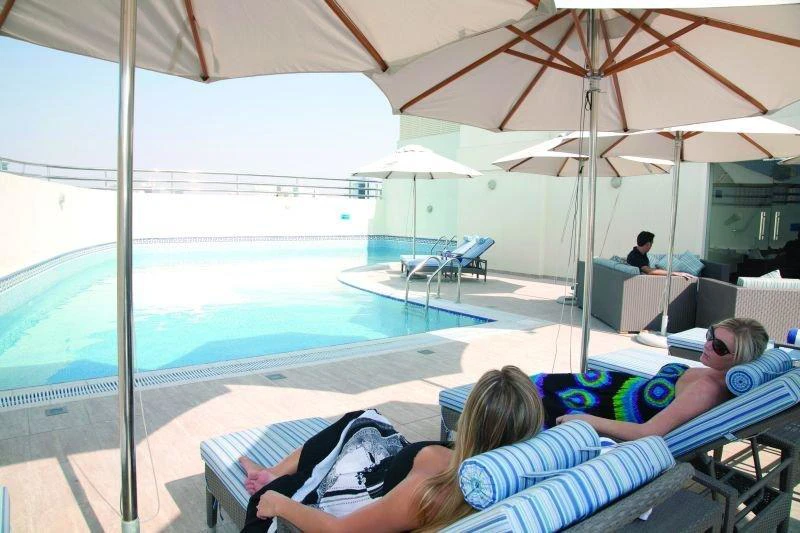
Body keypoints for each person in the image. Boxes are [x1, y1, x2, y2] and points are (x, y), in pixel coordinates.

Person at [238, 365, 544, 532]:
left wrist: (280, 505)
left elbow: (341, 531)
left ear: (471, 423)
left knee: (356, 424)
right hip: (394, 459)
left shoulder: (434, 488)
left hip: (368, 482)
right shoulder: (529, 469)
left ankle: (272, 476)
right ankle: (272, 471)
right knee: (363, 418)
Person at [551, 317, 768, 440]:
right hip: (606, 388)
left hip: (604, 405)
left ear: (738, 358)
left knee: (536, 393)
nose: (708, 345)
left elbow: (649, 432)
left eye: (719, 347)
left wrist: (585, 420)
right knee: (536, 384)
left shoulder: (706, 389)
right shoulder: (717, 373)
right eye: (711, 335)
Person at [626, 230, 695, 280]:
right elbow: (649, 271)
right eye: (651, 244)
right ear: (648, 244)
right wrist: (676, 273)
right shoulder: (635, 256)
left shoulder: (641, 253)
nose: (651, 246)